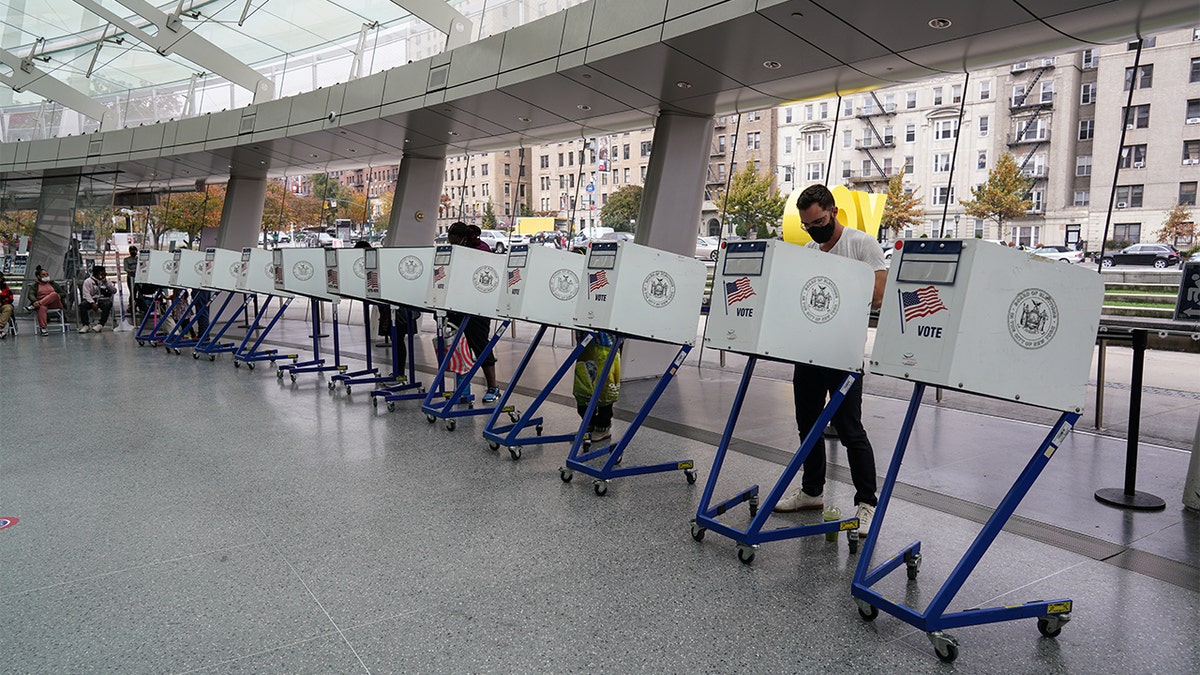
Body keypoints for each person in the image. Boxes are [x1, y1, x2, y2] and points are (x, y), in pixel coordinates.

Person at [773, 184, 887, 538]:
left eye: (819, 221)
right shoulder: (809, 249)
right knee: (807, 425)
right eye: (808, 225)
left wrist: (841, 286)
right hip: (810, 350)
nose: (814, 229)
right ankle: (812, 492)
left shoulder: (860, 244)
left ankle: (867, 502)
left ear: (834, 212)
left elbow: (879, 295)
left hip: (843, 353)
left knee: (851, 430)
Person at [445, 221, 502, 403]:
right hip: (458, 304)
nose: (451, 245)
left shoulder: (481, 249)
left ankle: (493, 386)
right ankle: (463, 387)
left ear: (463, 238)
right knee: (458, 344)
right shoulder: (456, 250)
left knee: (480, 344)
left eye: (454, 241)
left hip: (479, 306)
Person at [573, 330, 619, 443]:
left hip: (607, 348)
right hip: (586, 347)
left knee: (605, 392)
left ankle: (603, 428)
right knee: (584, 390)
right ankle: (588, 424)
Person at [26, 268, 66, 336]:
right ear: (38, 276)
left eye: (47, 274)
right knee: (41, 308)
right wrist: (35, 301)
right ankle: (43, 328)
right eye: (43, 275)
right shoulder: (35, 286)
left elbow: (63, 293)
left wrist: (58, 296)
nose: (46, 276)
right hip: (43, 305)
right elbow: (30, 294)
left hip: (55, 303)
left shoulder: (53, 284)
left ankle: (35, 306)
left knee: (53, 294)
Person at [79, 265, 118, 333]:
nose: (103, 276)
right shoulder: (88, 281)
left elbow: (114, 291)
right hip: (92, 300)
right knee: (82, 305)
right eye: (102, 274)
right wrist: (92, 303)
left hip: (103, 300)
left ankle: (101, 324)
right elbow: (86, 294)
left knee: (108, 304)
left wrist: (106, 284)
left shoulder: (106, 281)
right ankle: (86, 325)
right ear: (97, 274)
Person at [123, 246, 139, 314]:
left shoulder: (139, 259)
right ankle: (131, 306)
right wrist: (131, 271)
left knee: (139, 292)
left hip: (138, 277)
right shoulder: (126, 259)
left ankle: (138, 305)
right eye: (132, 251)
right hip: (131, 277)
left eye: (135, 251)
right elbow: (126, 268)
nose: (133, 252)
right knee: (132, 292)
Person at [0, 273, 14, 338]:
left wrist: (3, 301)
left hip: (3, 304)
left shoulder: (5, 286)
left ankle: (0, 325)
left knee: (8, 308)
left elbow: (10, 297)